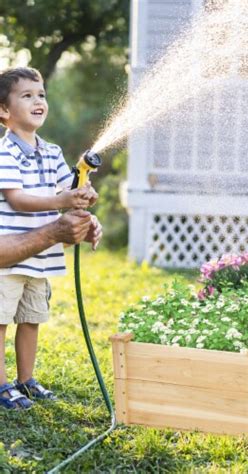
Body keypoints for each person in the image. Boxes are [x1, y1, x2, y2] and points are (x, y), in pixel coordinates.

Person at [0, 67, 98, 409]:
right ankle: (0, 386)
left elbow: (66, 190)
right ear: (4, 111)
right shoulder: (5, 152)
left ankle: (25, 380)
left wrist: (85, 202)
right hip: (10, 256)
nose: (38, 101)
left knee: (31, 318)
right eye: (26, 96)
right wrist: (61, 201)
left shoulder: (53, 152)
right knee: (0, 321)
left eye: (40, 95)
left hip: (41, 258)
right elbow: (17, 199)